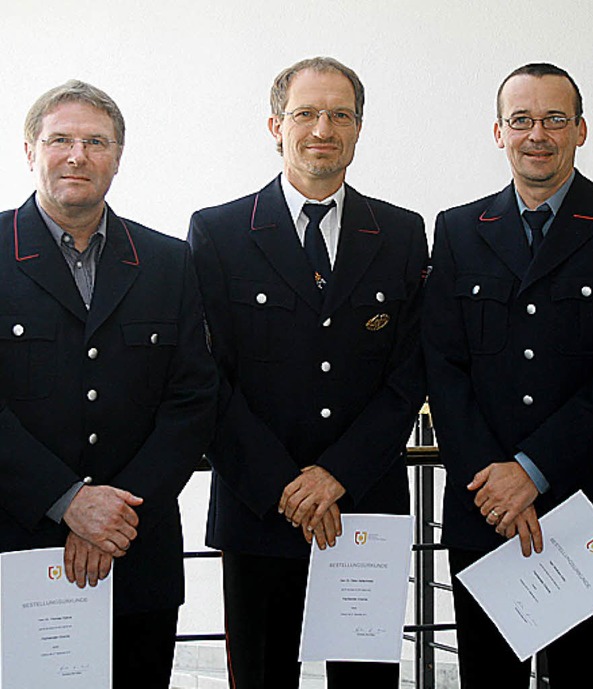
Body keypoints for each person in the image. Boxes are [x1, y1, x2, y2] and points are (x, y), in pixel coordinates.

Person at [188, 56, 427, 688]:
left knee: (366, 679)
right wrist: (286, 486)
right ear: (275, 125)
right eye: (306, 113)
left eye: (340, 114)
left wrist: (336, 475)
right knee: (262, 677)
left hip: (362, 507)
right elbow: (208, 376)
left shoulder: (402, 234)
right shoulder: (218, 232)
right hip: (260, 507)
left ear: (357, 129)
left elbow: (408, 375)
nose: (323, 127)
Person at [423, 62, 593, 688]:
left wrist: (532, 472)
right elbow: (444, 366)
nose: (536, 134)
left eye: (553, 119)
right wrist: (498, 482)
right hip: (482, 507)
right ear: (499, 132)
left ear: (580, 130)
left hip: (585, 510)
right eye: (521, 120)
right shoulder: (460, 229)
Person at [0, 79, 217, 688]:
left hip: (136, 555)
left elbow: (193, 399)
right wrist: (69, 502)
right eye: (60, 139)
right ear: (29, 149)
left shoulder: (168, 262)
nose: (78, 155)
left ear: (118, 156)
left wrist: (113, 517)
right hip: (19, 549)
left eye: (96, 142)